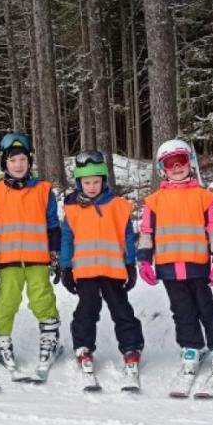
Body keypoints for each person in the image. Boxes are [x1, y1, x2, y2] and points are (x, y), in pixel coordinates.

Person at [136, 138, 213, 383]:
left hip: (197, 265)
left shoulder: (203, 197)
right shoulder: (154, 201)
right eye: (170, 163)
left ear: (190, 164)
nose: (177, 167)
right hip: (169, 268)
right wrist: (144, 261)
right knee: (181, 310)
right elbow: (147, 233)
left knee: (206, 307)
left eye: (181, 161)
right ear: (162, 168)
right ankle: (190, 346)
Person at [59, 150, 143, 379]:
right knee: (87, 309)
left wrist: (130, 264)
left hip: (112, 269)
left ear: (104, 181)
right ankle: (83, 347)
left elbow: (127, 237)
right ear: (79, 183)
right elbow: (67, 238)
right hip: (85, 271)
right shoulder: (72, 209)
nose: (92, 186)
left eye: (96, 181)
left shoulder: (118, 205)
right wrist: (66, 266)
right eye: (87, 182)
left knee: (121, 309)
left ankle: (131, 346)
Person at [0, 133, 62, 373]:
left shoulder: (43, 189)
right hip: (7, 260)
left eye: (22, 159)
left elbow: (52, 224)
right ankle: (2, 341)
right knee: (7, 302)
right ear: (4, 164)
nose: (18, 165)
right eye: (12, 160)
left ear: (29, 161)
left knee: (42, 299)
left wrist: (56, 253)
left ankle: (50, 339)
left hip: (38, 258)